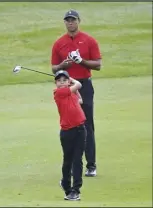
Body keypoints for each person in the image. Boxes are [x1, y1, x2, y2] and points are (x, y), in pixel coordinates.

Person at [51, 9, 102, 177]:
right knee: (70, 125)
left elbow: (98, 65)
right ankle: (74, 164)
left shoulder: (89, 40)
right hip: (66, 88)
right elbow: (54, 68)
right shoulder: (59, 43)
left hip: (84, 86)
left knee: (87, 125)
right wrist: (63, 66)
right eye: (67, 20)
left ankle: (91, 165)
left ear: (78, 21)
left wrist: (82, 61)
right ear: (65, 22)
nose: (70, 22)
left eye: (73, 20)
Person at [53, 70, 87, 201]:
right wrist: (72, 80)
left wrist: (71, 84)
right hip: (67, 132)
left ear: (68, 82)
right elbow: (79, 85)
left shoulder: (70, 92)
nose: (61, 83)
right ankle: (66, 184)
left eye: (64, 80)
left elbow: (81, 100)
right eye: (59, 81)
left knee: (77, 160)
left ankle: (75, 190)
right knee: (68, 160)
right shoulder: (58, 93)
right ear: (55, 83)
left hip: (80, 129)